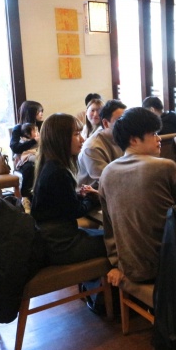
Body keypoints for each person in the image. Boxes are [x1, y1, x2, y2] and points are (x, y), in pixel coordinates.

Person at [99, 107, 176, 287]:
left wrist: (117, 264)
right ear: (133, 140)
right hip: (166, 266)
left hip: (129, 267)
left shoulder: (107, 173)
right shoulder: (165, 167)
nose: (159, 138)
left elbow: (109, 227)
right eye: (153, 134)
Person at [30, 113, 106, 265]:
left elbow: (61, 204)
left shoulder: (49, 165)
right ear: (60, 138)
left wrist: (80, 196)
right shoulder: (58, 172)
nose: (82, 139)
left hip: (51, 239)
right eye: (77, 134)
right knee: (118, 241)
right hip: (61, 245)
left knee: (108, 235)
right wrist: (91, 199)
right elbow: (75, 211)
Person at [78, 99, 126, 188]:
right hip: (92, 193)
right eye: (120, 120)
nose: (126, 124)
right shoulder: (92, 147)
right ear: (105, 123)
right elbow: (108, 180)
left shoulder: (124, 137)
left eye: (127, 120)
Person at [10, 100, 43, 200]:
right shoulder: (18, 128)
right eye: (39, 111)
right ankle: (27, 196)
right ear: (31, 113)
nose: (41, 114)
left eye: (42, 111)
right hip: (23, 159)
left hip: (39, 155)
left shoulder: (42, 125)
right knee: (30, 167)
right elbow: (15, 147)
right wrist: (33, 141)